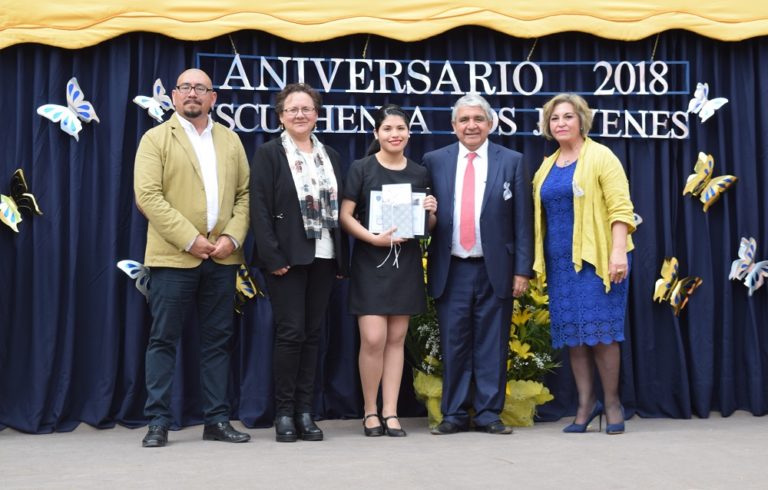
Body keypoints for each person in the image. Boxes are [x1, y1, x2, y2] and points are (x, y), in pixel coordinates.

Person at [134, 68, 251, 448]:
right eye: (185, 87)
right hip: (173, 257)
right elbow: (148, 197)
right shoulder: (155, 139)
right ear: (173, 95)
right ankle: (157, 422)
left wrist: (232, 236)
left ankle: (217, 420)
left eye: (201, 88)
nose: (193, 94)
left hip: (222, 258)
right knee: (163, 339)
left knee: (218, 341)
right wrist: (190, 239)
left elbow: (246, 195)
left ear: (212, 98)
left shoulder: (231, 140)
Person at [423, 94, 533, 435]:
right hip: (451, 265)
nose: (471, 125)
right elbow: (425, 215)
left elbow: (523, 221)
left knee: (493, 343)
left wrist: (522, 270)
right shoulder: (434, 160)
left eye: (478, 119)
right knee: (454, 343)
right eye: (464, 119)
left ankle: (488, 414)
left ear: (490, 124)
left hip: (495, 267)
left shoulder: (512, 160)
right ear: (453, 125)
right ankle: (453, 414)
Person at [250, 83, 349, 442]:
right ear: (280, 116)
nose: (300, 115)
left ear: (317, 115)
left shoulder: (331, 156)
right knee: (290, 334)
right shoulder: (268, 154)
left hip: (324, 255)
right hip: (286, 259)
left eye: (306, 109)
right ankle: (284, 413)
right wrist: (272, 256)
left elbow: (340, 209)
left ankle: (306, 411)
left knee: (312, 335)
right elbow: (259, 208)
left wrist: (341, 255)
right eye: (292, 109)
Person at [532, 93, 635, 435]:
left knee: (602, 334)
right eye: (554, 118)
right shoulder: (547, 165)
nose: (560, 123)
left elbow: (621, 207)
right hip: (561, 263)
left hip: (598, 258)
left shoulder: (601, 156)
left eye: (567, 117)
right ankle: (584, 405)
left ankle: (612, 404)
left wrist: (618, 251)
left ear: (581, 121)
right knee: (574, 337)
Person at [340, 104, 437, 437]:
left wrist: (431, 210)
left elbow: (426, 226)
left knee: (396, 339)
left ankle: (391, 412)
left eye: (400, 128)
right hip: (370, 262)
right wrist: (372, 239)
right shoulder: (361, 168)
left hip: (406, 264)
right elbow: (345, 215)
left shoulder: (419, 172)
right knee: (373, 338)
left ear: (408, 133)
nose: (395, 134)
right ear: (377, 133)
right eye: (388, 129)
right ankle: (370, 412)